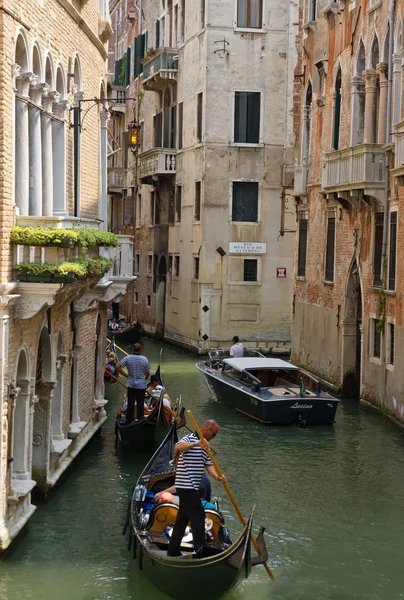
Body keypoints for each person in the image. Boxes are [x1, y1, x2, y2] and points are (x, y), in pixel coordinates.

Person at [166, 420, 226, 558]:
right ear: (207, 429)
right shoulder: (189, 438)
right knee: (199, 516)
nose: (214, 437)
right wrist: (196, 443)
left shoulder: (207, 446)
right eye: (214, 434)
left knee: (182, 518)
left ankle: (173, 550)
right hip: (185, 485)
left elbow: (209, 465)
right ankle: (199, 551)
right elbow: (178, 447)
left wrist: (218, 477)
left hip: (191, 487)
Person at [116, 343, 151, 422]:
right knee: (140, 402)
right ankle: (140, 418)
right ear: (140, 350)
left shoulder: (127, 358)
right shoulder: (144, 359)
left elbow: (117, 367)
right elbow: (148, 372)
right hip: (141, 385)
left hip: (131, 384)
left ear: (132, 349)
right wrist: (144, 379)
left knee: (131, 402)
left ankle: (129, 419)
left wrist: (126, 375)